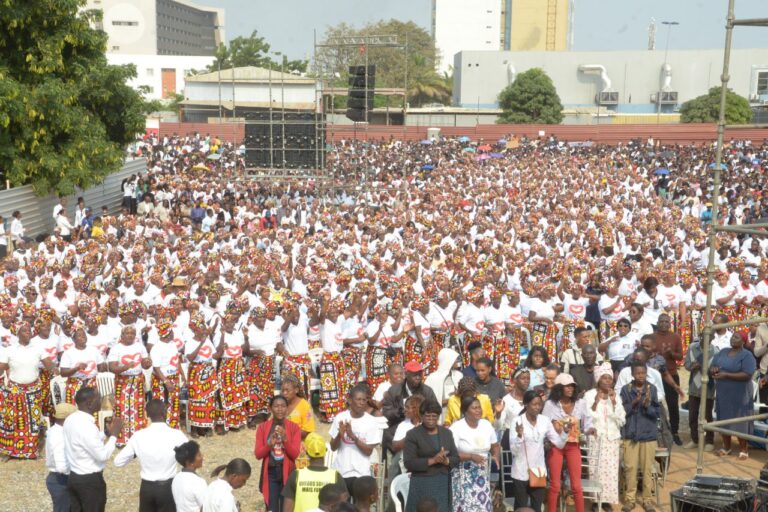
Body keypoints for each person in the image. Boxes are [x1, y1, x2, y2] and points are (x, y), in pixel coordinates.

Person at [114, 400, 189, 512]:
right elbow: (191, 455)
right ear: (165, 413)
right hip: (168, 488)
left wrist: (135, 453)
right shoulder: (177, 435)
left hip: (147, 488)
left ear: (146, 415)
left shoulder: (138, 436)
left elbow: (118, 462)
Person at [0, 320, 57, 459]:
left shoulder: (37, 348)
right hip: (15, 391)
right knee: (12, 421)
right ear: (17, 333)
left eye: (29, 330)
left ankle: (29, 451)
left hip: (33, 391)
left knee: (32, 422)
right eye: (25, 331)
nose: (29, 333)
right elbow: (1, 367)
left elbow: (50, 366)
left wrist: (61, 371)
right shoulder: (10, 350)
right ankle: (10, 452)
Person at [64, 387, 124, 512]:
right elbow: (102, 455)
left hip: (74, 477)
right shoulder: (86, 426)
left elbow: (85, 442)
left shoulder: (71, 419)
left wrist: (107, 433)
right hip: (89, 482)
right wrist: (114, 435)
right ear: (89, 403)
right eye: (98, 398)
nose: (101, 401)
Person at [508, 390, 569, 512]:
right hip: (520, 471)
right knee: (521, 508)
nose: (537, 407)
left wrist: (565, 433)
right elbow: (514, 451)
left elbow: (559, 444)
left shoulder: (544, 420)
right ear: (526, 404)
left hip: (539, 471)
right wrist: (520, 436)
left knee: (537, 507)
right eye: (534, 404)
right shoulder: (517, 421)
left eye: (539, 404)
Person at [542, 373, 591, 512]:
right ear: (559, 388)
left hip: (573, 446)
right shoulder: (550, 405)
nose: (570, 389)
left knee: (576, 486)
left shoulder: (581, 403)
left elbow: (587, 423)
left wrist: (590, 430)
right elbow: (544, 425)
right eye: (566, 386)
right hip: (556, 446)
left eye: (572, 386)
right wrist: (555, 426)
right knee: (555, 485)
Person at [403, 400, 459, 512]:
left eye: (434, 416)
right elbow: (408, 462)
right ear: (422, 416)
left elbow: (456, 458)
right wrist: (433, 460)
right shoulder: (413, 434)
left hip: (442, 481)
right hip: (422, 481)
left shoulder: (447, 433)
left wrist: (446, 461)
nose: (431, 419)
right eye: (427, 416)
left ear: (438, 416)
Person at [583, 363, 625, 510]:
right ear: (598, 380)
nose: (607, 381)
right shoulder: (589, 395)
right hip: (596, 439)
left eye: (609, 378)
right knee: (596, 469)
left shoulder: (616, 396)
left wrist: (613, 403)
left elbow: (622, 419)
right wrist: (595, 402)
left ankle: (606, 500)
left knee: (611, 471)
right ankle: (596, 501)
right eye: (604, 378)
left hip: (612, 438)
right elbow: (587, 418)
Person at [620, 361, 661, 512]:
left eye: (643, 373)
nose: (641, 376)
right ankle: (630, 500)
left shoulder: (652, 389)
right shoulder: (626, 390)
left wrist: (646, 406)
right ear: (632, 374)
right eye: (637, 373)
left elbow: (657, 413)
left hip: (648, 435)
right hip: (630, 435)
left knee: (647, 469)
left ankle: (647, 500)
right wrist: (634, 403)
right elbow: (622, 411)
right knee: (630, 468)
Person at [711, 332, 757, 460]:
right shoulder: (723, 352)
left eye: (736, 337)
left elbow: (748, 374)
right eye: (732, 336)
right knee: (724, 418)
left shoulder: (747, 355)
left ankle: (743, 449)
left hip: (740, 393)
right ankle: (726, 447)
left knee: (740, 420)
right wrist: (713, 369)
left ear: (743, 341)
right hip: (723, 392)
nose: (733, 338)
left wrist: (726, 375)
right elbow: (713, 365)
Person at [329, 385, 383, 494]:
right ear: (350, 401)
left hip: (361, 474)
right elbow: (333, 447)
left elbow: (368, 451)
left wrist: (353, 437)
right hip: (341, 472)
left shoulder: (371, 421)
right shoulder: (340, 417)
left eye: (364, 400)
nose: (362, 402)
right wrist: (340, 435)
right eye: (358, 399)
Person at [450, 395, 500, 511]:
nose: (478, 410)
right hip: (463, 475)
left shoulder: (486, 425)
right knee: (467, 506)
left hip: (482, 474)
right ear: (465, 411)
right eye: (474, 408)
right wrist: (470, 457)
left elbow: (495, 445)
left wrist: (495, 457)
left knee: (483, 506)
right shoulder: (456, 428)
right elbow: (451, 455)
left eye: (479, 407)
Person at [254, 396, 302, 512]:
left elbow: (295, 455)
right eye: (276, 406)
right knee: (272, 508)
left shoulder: (294, 427)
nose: (279, 409)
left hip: (288, 473)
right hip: (270, 473)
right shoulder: (262, 428)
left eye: (283, 406)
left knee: (287, 508)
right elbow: (258, 454)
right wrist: (269, 444)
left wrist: (285, 439)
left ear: (287, 408)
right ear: (270, 408)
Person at [108, 325, 152, 446]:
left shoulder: (139, 347)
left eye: (132, 333)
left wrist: (148, 363)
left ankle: (138, 439)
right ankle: (122, 439)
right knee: (121, 409)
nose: (130, 335)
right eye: (127, 333)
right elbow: (111, 367)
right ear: (122, 335)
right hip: (122, 383)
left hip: (137, 382)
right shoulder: (116, 349)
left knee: (138, 409)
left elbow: (145, 364)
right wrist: (125, 367)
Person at [281, 432, 345, 512]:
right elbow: (343, 506)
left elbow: (287, 509)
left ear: (307, 452)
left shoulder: (296, 475)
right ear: (325, 450)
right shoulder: (335, 476)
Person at [381, 361, 437, 449]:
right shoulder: (394, 390)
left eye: (420, 374)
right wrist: (401, 411)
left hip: (422, 437)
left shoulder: (427, 391)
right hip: (396, 437)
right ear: (406, 374)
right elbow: (386, 413)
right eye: (415, 375)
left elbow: (435, 411)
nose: (418, 377)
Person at [653, 313, 685, 445]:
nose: (664, 324)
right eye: (662, 321)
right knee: (654, 404)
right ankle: (655, 433)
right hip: (655, 376)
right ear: (658, 322)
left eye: (667, 322)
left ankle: (675, 432)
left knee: (672, 405)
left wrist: (671, 353)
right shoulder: (652, 337)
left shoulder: (675, 337)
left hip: (671, 374)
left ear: (670, 323)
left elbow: (680, 357)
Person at [683, 337, 715, 451]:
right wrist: (692, 366)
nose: (705, 338)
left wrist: (709, 369)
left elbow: (716, 369)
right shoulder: (692, 348)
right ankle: (695, 440)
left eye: (709, 335)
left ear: (713, 337)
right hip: (694, 386)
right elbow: (686, 365)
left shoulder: (715, 351)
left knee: (707, 415)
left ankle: (710, 441)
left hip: (708, 387)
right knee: (692, 415)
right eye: (704, 335)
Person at [46, 403, 77, 512]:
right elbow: (62, 467)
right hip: (61, 480)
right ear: (67, 419)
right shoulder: (58, 436)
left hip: (59, 479)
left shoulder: (56, 431)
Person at [171, 441, 207, 512]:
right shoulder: (198, 482)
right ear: (190, 462)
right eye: (199, 455)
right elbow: (206, 508)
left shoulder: (176, 478)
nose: (202, 458)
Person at [282, 374, 316, 439]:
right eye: (283, 390)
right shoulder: (281, 403)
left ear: (296, 390)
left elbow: (308, 431)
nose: (284, 393)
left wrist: (287, 434)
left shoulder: (304, 406)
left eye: (287, 390)